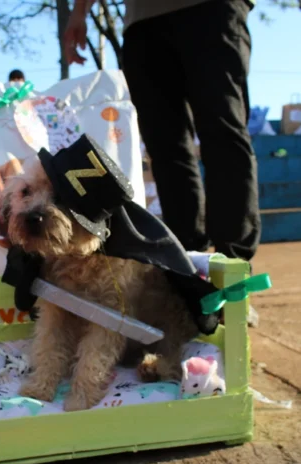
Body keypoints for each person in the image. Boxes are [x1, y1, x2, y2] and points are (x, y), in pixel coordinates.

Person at [64, 0, 260, 324]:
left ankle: (233, 277)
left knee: (223, 137)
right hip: (144, 21)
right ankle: (187, 277)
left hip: (210, 8)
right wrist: (80, 11)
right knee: (167, 153)